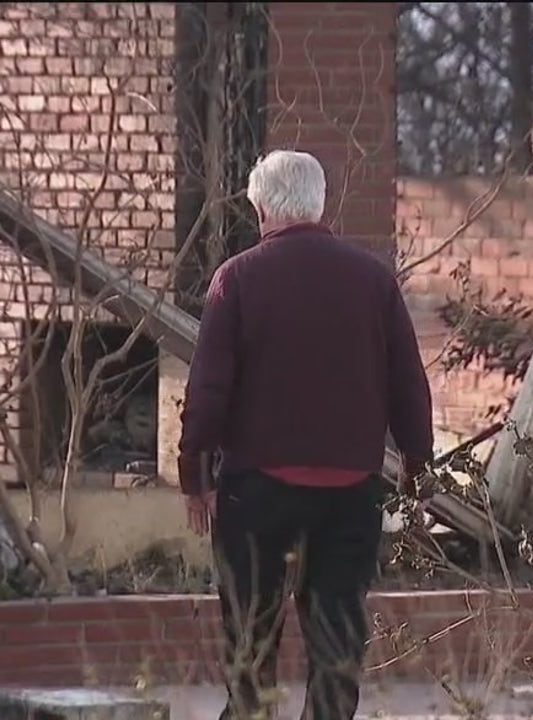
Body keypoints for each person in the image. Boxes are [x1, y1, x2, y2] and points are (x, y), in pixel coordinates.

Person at [177, 149, 434, 720]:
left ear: (263, 206)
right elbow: (408, 386)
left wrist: (194, 476)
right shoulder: (373, 281)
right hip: (350, 491)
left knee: (251, 633)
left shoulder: (237, 280)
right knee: (338, 635)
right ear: (321, 203)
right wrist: (417, 470)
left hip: (258, 491)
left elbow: (209, 390)